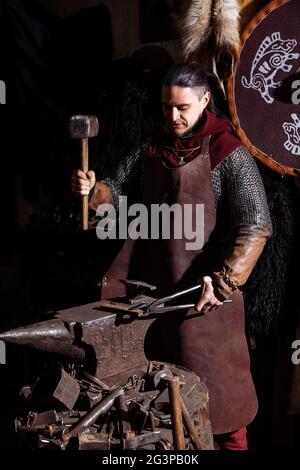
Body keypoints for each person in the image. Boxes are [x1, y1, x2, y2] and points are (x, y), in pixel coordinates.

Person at [71, 63, 272, 450]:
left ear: (205, 101)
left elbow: (256, 224)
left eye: (182, 108)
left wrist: (227, 280)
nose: (173, 117)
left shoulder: (227, 152)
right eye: (167, 108)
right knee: (156, 415)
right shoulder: (151, 148)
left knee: (224, 418)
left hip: (206, 302)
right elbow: (116, 193)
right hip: (152, 300)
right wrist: (94, 190)